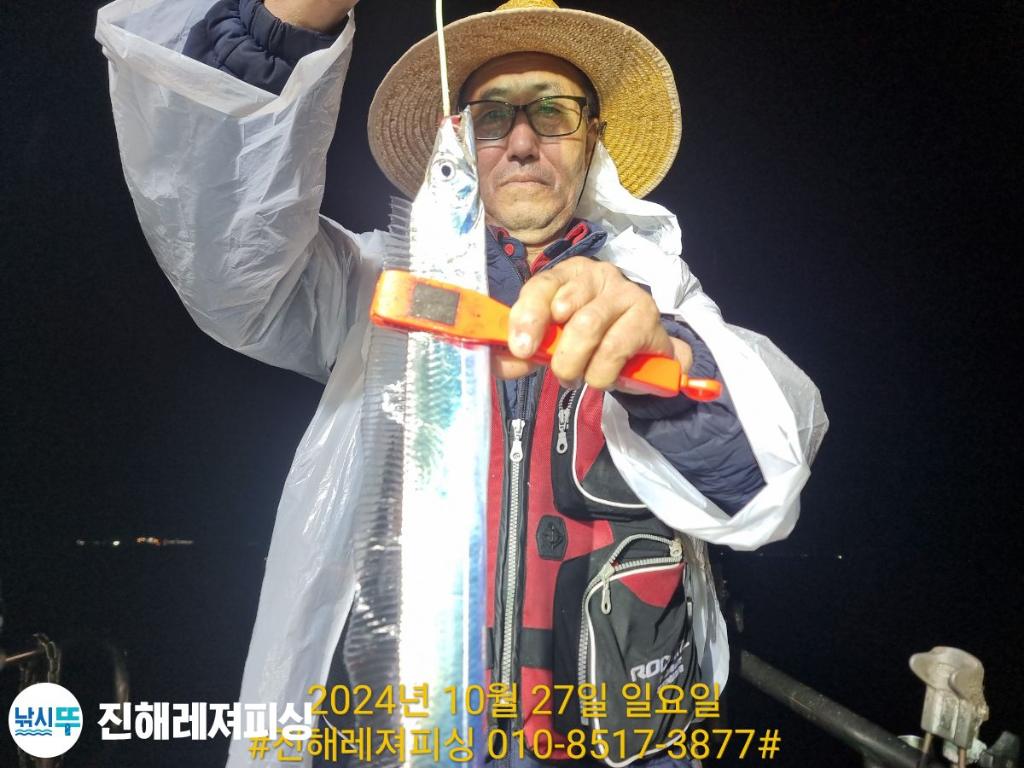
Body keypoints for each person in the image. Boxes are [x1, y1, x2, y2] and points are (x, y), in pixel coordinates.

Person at [95, 0, 828, 765]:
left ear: (594, 138)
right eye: (490, 117)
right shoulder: (374, 291)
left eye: (553, 111)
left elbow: (764, 478)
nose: (521, 141)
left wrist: (663, 361)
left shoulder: (659, 301)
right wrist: (280, 25)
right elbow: (224, 245)